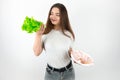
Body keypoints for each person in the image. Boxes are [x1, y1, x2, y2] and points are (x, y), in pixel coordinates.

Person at [33, 3, 75, 80]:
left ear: (63, 17)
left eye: (57, 14)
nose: (53, 17)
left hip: (68, 72)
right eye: (51, 13)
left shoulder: (68, 34)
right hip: (51, 74)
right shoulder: (44, 31)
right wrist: (38, 35)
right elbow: (36, 53)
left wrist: (74, 56)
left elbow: (68, 51)